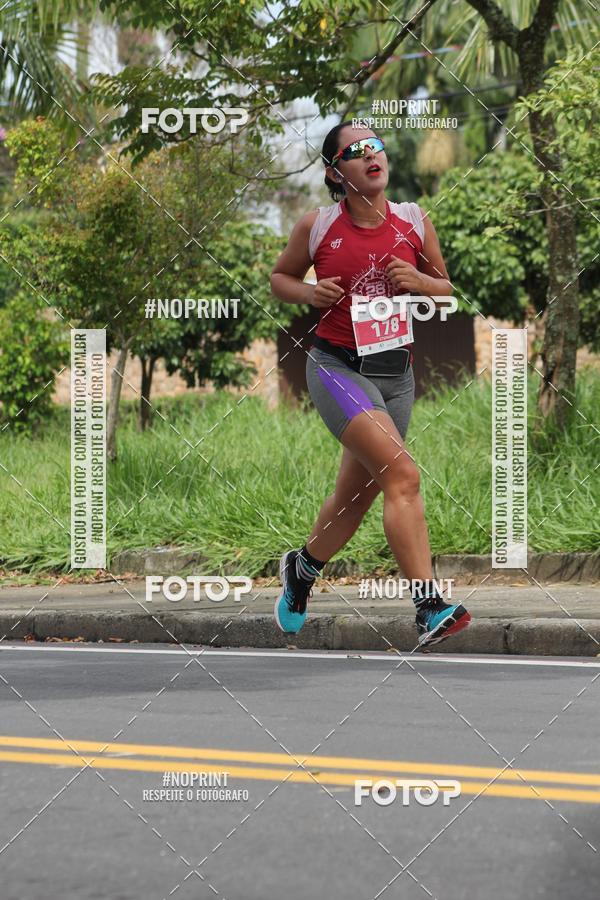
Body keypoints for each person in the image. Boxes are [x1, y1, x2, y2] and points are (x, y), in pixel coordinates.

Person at [269, 121, 470, 648]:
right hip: (337, 369)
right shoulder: (317, 226)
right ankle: (428, 606)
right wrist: (309, 293)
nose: (370, 154)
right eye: (355, 151)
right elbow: (280, 277)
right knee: (402, 474)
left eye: (375, 144)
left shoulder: (413, 220)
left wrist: (422, 283)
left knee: (354, 498)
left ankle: (302, 570)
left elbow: (445, 291)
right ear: (337, 171)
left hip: (394, 374)